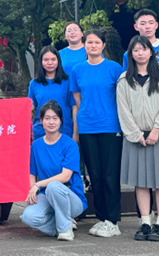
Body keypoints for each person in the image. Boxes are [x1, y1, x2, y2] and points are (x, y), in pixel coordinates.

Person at [121, 9, 159, 232]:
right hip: (136, 136)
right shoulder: (124, 80)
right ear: (130, 54)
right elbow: (123, 110)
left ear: (151, 52)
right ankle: (145, 221)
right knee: (141, 181)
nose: (140, 53)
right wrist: (135, 133)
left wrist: (158, 129)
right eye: (136, 50)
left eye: (144, 49)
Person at [70, 29, 123, 238]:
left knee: (110, 174)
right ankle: (102, 218)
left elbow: (121, 97)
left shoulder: (114, 68)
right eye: (89, 42)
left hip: (110, 126)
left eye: (97, 42)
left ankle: (113, 220)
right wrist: (77, 130)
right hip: (87, 127)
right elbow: (77, 100)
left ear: (103, 45)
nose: (93, 46)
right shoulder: (78, 70)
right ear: (84, 45)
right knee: (95, 175)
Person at [20, 100, 87, 241]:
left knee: (54, 186)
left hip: (71, 198)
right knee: (28, 217)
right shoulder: (36, 146)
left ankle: (65, 230)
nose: (51, 122)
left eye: (55, 118)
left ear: (61, 121)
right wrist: (32, 192)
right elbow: (32, 173)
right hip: (47, 196)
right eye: (47, 118)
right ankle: (63, 223)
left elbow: (65, 176)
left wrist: (38, 184)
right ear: (41, 121)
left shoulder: (70, 144)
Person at [28, 46, 77, 140]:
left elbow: (74, 107)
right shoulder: (34, 84)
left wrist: (75, 133)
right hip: (40, 132)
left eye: (53, 59)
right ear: (41, 62)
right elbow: (30, 108)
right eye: (46, 60)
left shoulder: (68, 82)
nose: (50, 63)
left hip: (64, 131)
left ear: (58, 61)